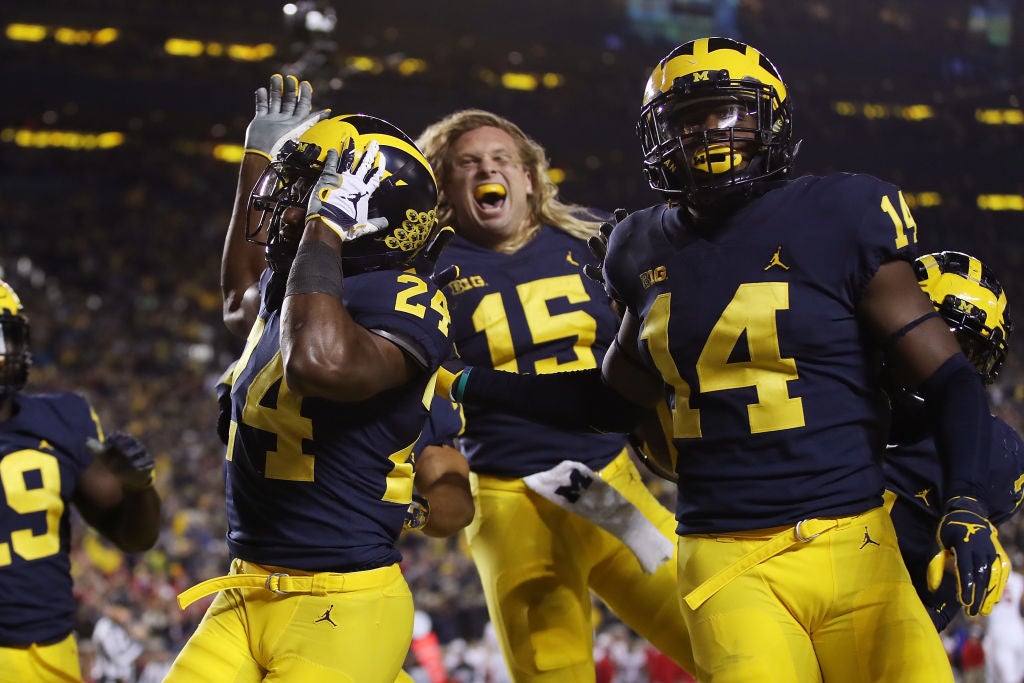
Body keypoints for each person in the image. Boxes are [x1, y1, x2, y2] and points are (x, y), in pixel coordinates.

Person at [597, 37, 1005, 681]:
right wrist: (473, 384)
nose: (708, 133)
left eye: (728, 112)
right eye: (688, 120)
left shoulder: (841, 213)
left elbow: (951, 377)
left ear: (770, 123)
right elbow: (614, 397)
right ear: (660, 137)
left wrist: (967, 504)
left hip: (855, 541)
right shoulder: (637, 247)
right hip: (723, 554)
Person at [164, 74, 464, 682]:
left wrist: (324, 227)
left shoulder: (403, 296)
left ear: (364, 210)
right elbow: (235, 299)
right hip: (246, 588)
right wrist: (255, 160)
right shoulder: (295, 279)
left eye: (307, 190)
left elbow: (318, 362)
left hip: (341, 599)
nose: (284, 204)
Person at [415, 109, 693, 681]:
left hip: (611, 476)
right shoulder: (423, 270)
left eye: (501, 160)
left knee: (720, 633)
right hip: (507, 496)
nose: (486, 169)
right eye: (468, 162)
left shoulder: (591, 238)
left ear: (529, 177)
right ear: (443, 185)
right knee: (552, 670)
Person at [0, 278, 161, 683]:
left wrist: (137, 488)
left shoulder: (60, 420)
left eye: (5, 337)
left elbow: (134, 536)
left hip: (45, 657)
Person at [884, 250, 1021, 631]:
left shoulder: (995, 457)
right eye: (936, 339)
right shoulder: (833, 396)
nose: (943, 364)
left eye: (968, 355)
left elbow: (939, 596)